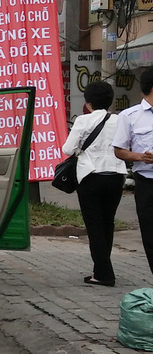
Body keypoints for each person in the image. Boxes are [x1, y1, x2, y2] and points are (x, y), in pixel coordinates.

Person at [62, 81, 126, 287]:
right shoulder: (119, 120)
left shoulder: (83, 120)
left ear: (88, 103)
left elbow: (67, 149)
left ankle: (104, 274)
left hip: (90, 176)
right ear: (110, 101)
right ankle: (101, 268)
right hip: (116, 175)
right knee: (108, 223)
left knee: (95, 226)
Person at [112, 65, 153, 276]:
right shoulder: (129, 116)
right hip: (146, 182)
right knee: (150, 234)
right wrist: (140, 157)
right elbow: (119, 150)